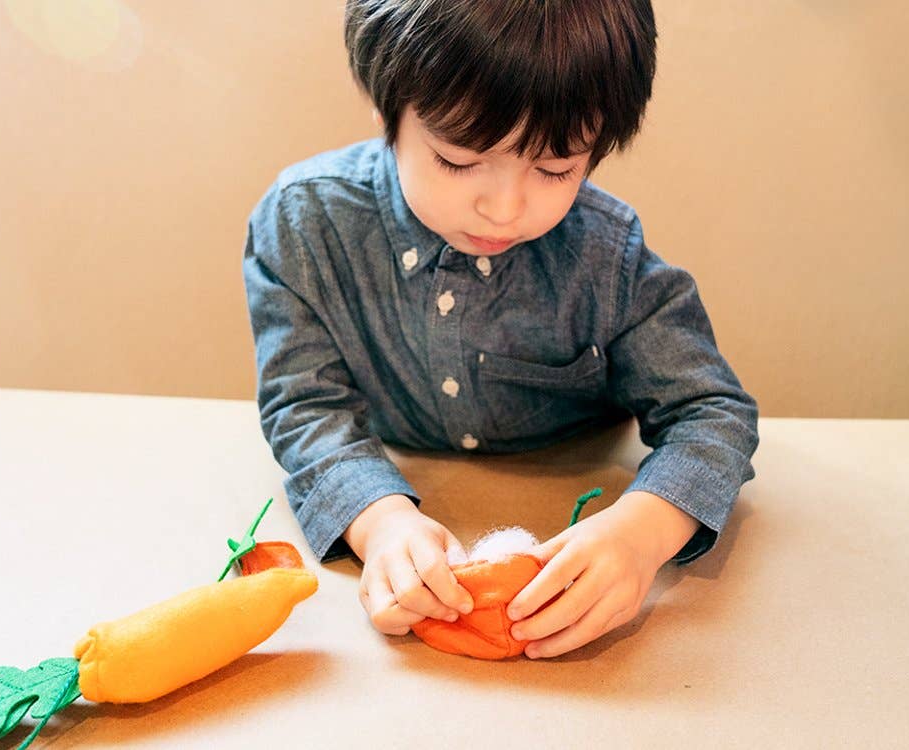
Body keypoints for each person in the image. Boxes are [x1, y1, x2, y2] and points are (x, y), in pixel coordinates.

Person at [242, 0, 759, 659]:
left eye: (555, 170)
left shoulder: (608, 259)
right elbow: (306, 405)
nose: (506, 206)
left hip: (575, 477)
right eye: (458, 161)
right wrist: (379, 521)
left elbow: (713, 413)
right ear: (388, 111)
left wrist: (642, 532)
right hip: (398, 473)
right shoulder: (304, 225)